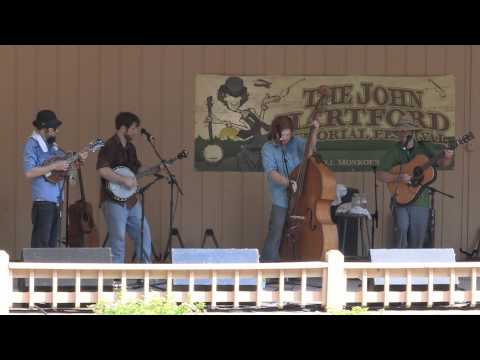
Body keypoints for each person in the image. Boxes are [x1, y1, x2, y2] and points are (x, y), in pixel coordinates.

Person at [377, 116, 454, 248]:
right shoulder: (393, 151)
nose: (402, 134)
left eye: (405, 131)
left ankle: (415, 266)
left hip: (421, 200)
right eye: (400, 131)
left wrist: (448, 157)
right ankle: (399, 264)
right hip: (400, 198)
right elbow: (380, 174)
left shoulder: (424, 148)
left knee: (418, 237)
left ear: (412, 132)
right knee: (401, 228)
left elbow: (441, 163)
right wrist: (397, 178)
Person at [96, 112, 160, 263]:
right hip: (112, 200)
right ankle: (116, 281)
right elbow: (102, 170)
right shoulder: (109, 145)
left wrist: (156, 168)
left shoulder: (130, 147)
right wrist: (123, 180)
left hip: (130, 200)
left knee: (144, 234)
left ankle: (143, 276)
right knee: (118, 240)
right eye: (134, 128)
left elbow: (136, 170)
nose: (136, 132)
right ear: (123, 128)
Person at [23, 110, 88, 248]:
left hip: (57, 201)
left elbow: (66, 168)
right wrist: (54, 165)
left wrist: (77, 159)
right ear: (44, 129)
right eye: (54, 129)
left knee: (53, 244)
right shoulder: (32, 144)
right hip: (43, 201)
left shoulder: (53, 146)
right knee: (41, 243)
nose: (56, 131)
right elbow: (29, 172)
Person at [260, 115, 320, 262]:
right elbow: (271, 172)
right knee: (277, 228)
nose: (285, 138)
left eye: (288, 134)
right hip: (280, 193)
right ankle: (269, 264)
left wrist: (314, 132)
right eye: (282, 135)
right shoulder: (267, 148)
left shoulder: (297, 142)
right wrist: (287, 183)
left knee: (300, 229)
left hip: (301, 194)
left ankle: (298, 260)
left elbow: (310, 152)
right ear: (275, 133)